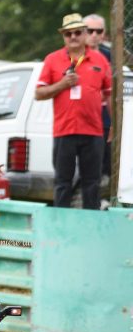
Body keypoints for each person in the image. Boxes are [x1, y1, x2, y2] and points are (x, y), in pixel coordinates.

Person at [34, 13, 112, 208]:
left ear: (85, 34)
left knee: (92, 183)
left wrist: (114, 124)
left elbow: (109, 94)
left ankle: (90, 226)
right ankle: (60, 229)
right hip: (64, 130)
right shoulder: (53, 59)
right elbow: (39, 93)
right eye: (69, 34)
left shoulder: (100, 60)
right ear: (63, 36)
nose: (74, 37)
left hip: (93, 130)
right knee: (62, 182)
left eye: (78, 32)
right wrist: (62, 84)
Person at [83, 13, 113, 178]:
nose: (94, 35)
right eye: (89, 30)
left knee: (108, 166)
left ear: (104, 33)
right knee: (88, 169)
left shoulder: (112, 56)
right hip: (82, 121)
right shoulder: (72, 56)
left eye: (98, 31)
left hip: (106, 121)